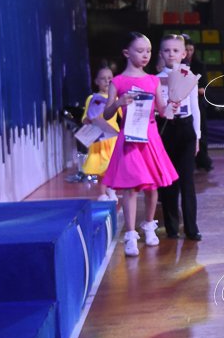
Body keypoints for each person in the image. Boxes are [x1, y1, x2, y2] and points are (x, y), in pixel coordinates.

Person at [102, 32, 179, 256]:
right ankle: (130, 234)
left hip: (150, 138)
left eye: (148, 51)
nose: (145, 55)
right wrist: (118, 103)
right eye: (140, 51)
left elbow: (163, 111)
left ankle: (149, 226)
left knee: (152, 186)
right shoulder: (118, 82)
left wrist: (172, 107)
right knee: (130, 186)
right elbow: (107, 114)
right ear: (127, 53)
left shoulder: (153, 80)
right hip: (129, 138)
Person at [157, 35, 202, 241]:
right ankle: (172, 228)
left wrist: (197, 136)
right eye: (167, 50)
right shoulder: (156, 79)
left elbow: (195, 108)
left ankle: (191, 228)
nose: (171, 54)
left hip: (185, 129)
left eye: (175, 50)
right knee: (168, 182)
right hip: (165, 129)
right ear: (161, 53)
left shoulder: (189, 76)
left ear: (184, 54)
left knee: (187, 182)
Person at [81, 66, 119, 200]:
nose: (107, 81)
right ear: (96, 81)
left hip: (112, 138)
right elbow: (85, 118)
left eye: (110, 78)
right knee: (101, 167)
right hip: (99, 137)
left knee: (112, 165)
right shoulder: (92, 98)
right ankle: (102, 193)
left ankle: (111, 189)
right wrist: (88, 118)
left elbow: (123, 115)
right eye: (103, 79)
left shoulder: (116, 98)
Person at [183, 35, 214, 172]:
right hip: (182, 104)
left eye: (191, 50)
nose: (189, 52)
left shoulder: (199, 65)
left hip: (197, 103)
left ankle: (202, 160)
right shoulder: (178, 67)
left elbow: (203, 89)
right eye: (186, 50)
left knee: (200, 132)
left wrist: (190, 88)